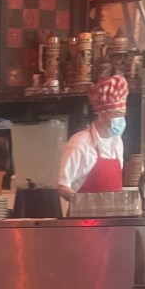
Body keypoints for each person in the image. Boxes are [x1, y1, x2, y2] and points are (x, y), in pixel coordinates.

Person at [57, 73, 128, 215]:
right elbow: (62, 187)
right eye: (117, 115)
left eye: (123, 114)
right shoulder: (80, 143)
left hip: (112, 225)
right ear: (102, 116)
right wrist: (89, 204)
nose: (121, 120)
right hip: (83, 225)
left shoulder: (117, 143)